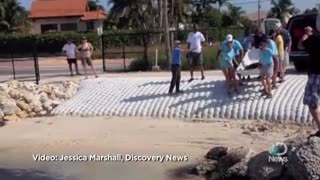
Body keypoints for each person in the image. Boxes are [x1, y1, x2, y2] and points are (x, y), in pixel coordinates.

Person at [298, 26, 320, 137]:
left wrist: (307, 33)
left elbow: (301, 45)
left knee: (312, 103)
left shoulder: (314, 38)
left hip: (316, 74)